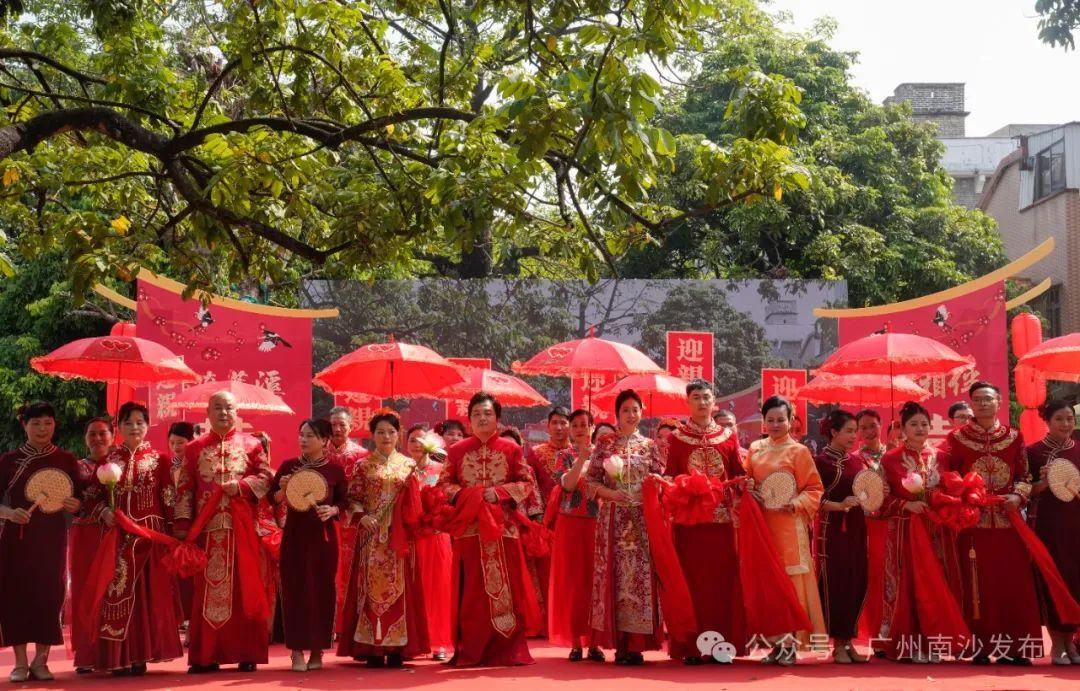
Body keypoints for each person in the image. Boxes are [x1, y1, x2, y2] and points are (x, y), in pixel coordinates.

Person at [941, 381, 1042, 665]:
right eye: (977, 399)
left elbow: (1025, 476)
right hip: (972, 524)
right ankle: (980, 647)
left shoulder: (1014, 437)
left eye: (988, 398)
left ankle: (1017, 649)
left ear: (999, 402)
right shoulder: (956, 439)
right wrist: (964, 495)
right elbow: (948, 476)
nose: (983, 404)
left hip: (1009, 522)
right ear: (971, 404)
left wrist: (1018, 496)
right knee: (977, 584)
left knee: (1013, 582)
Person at [174, 391, 272, 674]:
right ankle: (206, 655)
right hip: (206, 531)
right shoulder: (194, 448)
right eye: (217, 407)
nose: (223, 413)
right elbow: (185, 489)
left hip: (242, 530)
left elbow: (266, 478)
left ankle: (246, 653)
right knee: (206, 591)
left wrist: (241, 486)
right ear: (207, 412)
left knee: (245, 588)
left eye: (228, 407)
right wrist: (182, 527)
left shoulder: (252, 445)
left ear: (236, 411)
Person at [438, 392, 536, 666]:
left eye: (488, 413)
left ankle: (507, 648)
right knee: (472, 592)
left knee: (509, 589)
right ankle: (473, 648)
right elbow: (444, 485)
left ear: (497, 418)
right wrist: (468, 495)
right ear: (469, 419)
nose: (482, 418)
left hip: (504, 530)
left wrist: (500, 492)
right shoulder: (456, 451)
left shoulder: (511, 449)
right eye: (477, 414)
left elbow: (526, 483)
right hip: (470, 530)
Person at [88, 401, 183, 675]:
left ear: (148, 426)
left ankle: (141, 655)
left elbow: (168, 499)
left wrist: (172, 535)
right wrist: (104, 511)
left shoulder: (160, 460)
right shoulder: (108, 460)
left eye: (140, 422)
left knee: (147, 596)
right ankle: (119, 656)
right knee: (117, 592)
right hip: (117, 535)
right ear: (118, 427)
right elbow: (92, 497)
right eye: (128, 423)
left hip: (150, 536)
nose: (134, 428)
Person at [659, 379, 746, 665]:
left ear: (714, 401)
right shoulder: (677, 438)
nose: (701, 402)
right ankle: (693, 647)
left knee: (722, 583)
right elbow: (670, 475)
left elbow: (738, 472)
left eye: (706, 397)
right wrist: (676, 487)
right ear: (687, 402)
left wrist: (742, 484)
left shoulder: (728, 436)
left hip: (721, 522)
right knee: (692, 583)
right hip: (690, 523)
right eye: (695, 397)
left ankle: (722, 644)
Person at [878, 401, 968, 663]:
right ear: (903, 429)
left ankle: (937, 641)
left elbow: (954, 489)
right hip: (906, 531)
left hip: (938, 531)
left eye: (924, 424)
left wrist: (943, 500)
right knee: (911, 584)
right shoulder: (890, 459)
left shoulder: (942, 456)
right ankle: (911, 643)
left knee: (939, 583)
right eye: (913, 424)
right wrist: (906, 504)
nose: (920, 429)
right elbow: (880, 500)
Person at [338, 410, 429, 667]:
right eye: (380, 432)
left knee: (401, 588)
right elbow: (352, 499)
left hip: (400, 539)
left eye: (391, 432)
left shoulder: (409, 466)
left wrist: (413, 492)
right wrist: (362, 516)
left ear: (398, 435)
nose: (386, 436)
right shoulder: (363, 466)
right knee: (370, 588)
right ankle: (373, 647)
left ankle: (397, 648)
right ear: (372, 436)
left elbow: (418, 503)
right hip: (371, 537)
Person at [0, 402, 83, 682]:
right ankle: (20, 662)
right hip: (16, 542)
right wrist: (9, 513)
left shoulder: (67, 460)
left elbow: (82, 500)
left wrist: (76, 505)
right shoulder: (9, 460)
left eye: (48, 422)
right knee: (16, 597)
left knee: (49, 596)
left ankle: (41, 661)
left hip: (52, 540)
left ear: (54, 425)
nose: (42, 428)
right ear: (24, 425)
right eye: (35, 423)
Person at [585, 389, 665, 665]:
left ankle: (637, 645)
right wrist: (612, 494)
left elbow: (661, 479)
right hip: (614, 521)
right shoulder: (605, 443)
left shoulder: (650, 446)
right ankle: (620, 644)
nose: (631, 415)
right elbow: (590, 482)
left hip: (642, 520)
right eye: (625, 410)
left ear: (642, 412)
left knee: (640, 578)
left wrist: (650, 490)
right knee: (617, 577)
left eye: (635, 410)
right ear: (617, 414)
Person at [744, 395, 825, 665]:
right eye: (771, 420)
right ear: (764, 422)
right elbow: (746, 480)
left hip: (789, 525)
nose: (776, 424)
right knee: (769, 585)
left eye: (781, 419)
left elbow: (814, 489)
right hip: (762, 525)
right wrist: (748, 488)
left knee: (790, 585)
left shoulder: (798, 452)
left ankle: (790, 645)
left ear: (790, 421)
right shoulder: (755, 449)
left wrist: (796, 504)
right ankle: (775, 644)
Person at [271, 418, 346, 672]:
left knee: (322, 590)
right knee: (295, 590)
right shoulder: (288, 466)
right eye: (301, 435)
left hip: (324, 540)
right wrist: (283, 490)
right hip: (294, 537)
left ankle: (317, 650)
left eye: (310, 435)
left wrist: (333, 509)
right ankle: (296, 651)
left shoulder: (335, 471)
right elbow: (273, 499)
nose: (303, 439)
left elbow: (345, 502)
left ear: (325, 440)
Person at [1026, 400, 1080, 664]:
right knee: (1053, 578)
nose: (1066, 424)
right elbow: (1025, 490)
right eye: (1059, 419)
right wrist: (1044, 483)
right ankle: (1057, 644)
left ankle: (1071, 642)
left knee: (1075, 580)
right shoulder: (1033, 452)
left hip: (1076, 525)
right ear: (1047, 421)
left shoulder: (1078, 449)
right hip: (1047, 525)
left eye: (1069, 419)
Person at [813, 409, 869, 664]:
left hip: (857, 528)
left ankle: (849, 640)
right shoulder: (820, 462)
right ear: (833, 432)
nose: (853, 436)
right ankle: (837, 643)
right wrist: (839, 505)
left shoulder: (858, 461)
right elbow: (812, 498)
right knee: (837, 582)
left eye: (855, 431)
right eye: (848, 431)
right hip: (833, 530)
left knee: (856, 579)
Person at [548, 408, 603, 662]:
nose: (580, 429)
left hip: (596, 523)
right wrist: (581, 459)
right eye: (576, 425)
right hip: (569, 524)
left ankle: (595, 643)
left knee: (595, 582)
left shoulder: (604, 455)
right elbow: (567, 485)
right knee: (572, 583)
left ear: (592, 427)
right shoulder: (564, 456)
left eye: (584, 424)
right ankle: (575, 642)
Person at [406, 423, 453, 661]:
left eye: (422, 440)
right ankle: (413, 641)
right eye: (412, 440)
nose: (417, 444)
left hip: (436, 536)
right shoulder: (401, 470)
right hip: (410, 538)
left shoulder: (441, 470)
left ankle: (439, 642)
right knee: (413, 589)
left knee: (439, 589)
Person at [70, 417, 113, 673]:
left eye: (102, 433)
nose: (97, 438)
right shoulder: (76, 468)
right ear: (85, 438)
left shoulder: (120, 464)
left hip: (114, 536)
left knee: (112, 591)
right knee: (84, 591)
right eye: (92, 434)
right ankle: (86, 654)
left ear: (112, 435)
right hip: (84, 537)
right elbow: (69, 500)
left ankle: (113, 653)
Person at [327, 406, 369, 638]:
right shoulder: (319, 453)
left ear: (351, 427)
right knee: (329, 570)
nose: (337, 429)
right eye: (333, 424)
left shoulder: (361, 455)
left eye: (342, 424)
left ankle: (350, 624)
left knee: (352, 570)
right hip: (326, 520)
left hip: (352, 523)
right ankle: (328, 624)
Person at [853, 409, 890, 652]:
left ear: (881, 424)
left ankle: (894, 630)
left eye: (872, 425)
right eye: (863, 427)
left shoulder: (894, 455)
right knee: (874, 577)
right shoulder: (854, 459)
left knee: (893, 575)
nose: (868, 431)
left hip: (892, 522)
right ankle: (876, 632)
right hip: (868, 526)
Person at [166, 421, 196, 631]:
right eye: (172, 443)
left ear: (191, 442)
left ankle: (192, 620)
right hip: (171, 526)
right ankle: (178, 618)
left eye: (181, 442)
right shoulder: (166, 467)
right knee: (175, 575)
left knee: (191, 575)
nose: (176, 447)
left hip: (195, 525)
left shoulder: (197, 465)